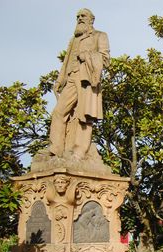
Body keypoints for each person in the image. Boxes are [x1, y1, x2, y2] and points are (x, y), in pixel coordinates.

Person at [48, 8, 110, 159]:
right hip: (71, 78)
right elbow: (66, 62)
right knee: (59, 111)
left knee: (84, 115)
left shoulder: (99, 36)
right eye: (78, 17)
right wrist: (59, 80)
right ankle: (56, 148)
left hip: (87, 80)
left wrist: (87, 56)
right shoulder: (74, 39)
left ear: (91, 19)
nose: (80, 18)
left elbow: (105, 59)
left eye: (83, 16)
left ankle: (79, 150)